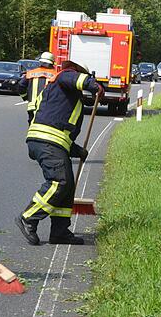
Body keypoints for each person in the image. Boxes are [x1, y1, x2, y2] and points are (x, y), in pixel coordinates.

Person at [15, 59, 103, 245]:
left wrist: (76, 150)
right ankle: (28, 217)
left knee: (68, 186)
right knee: (59, 181)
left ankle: (60, 232)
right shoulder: (64, 76)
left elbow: (59, 125)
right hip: (46, 140)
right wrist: (92, 84)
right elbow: (74, 79)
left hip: (51, 141)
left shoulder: (64, 93)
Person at [18, 52, 56, 124]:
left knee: (32, 128)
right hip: (48, 108)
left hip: (32, 107)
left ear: (40, 62)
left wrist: (26, 97)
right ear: (52, 63)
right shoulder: (56, 75)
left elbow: (21, 85)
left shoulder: (30, 73)